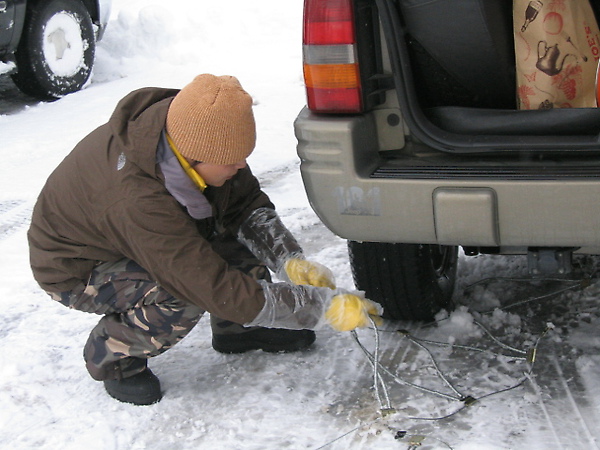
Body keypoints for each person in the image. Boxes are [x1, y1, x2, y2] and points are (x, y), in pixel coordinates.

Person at [28, 74, 382, 405]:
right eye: (231, 160)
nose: (241, 166)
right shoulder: (138, 201)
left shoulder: (192, 132)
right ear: (193, 157)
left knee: (231, 228)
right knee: (180, 297)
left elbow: (244, 205)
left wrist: (290, 260)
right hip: (79, 267)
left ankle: (239, 330)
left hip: (138, 237)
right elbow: (207, 285)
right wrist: (320, 306)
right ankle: (114, 355)